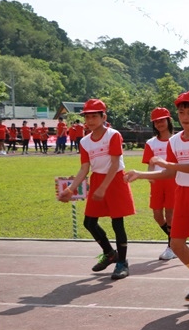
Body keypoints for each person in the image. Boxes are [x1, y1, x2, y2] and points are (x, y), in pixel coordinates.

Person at [126, 91, 189, 313]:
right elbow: (169, 173)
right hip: (182, 193)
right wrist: (141, 174)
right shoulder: (174, 141)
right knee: (176, 244)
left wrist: (169, 165)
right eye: (182, 112)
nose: (186, 116)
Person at [58, 99, 136, 281]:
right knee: (89, 222)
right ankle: (110, 253)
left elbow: (115, 162)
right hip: (98, 179)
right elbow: (85, 167)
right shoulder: (84, 142)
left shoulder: (113, 135)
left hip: (115, 179)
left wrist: (103, 188)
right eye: (87, 117)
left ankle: (122, 263)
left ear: (104, 117)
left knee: (118, 223)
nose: (91, 120)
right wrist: (70, 189)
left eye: (95, 116)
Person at [142, 107, 179, 261]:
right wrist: (150, 176)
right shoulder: (151, 143)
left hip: (173, 181)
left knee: (170, 215)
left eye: (162, 120)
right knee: (157, 215)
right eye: (156, 122)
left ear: (168, 120)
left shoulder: (177, 140)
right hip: (157, 182)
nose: (159, 124)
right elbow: (150, 163)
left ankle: (172, 247)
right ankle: (177, 241)